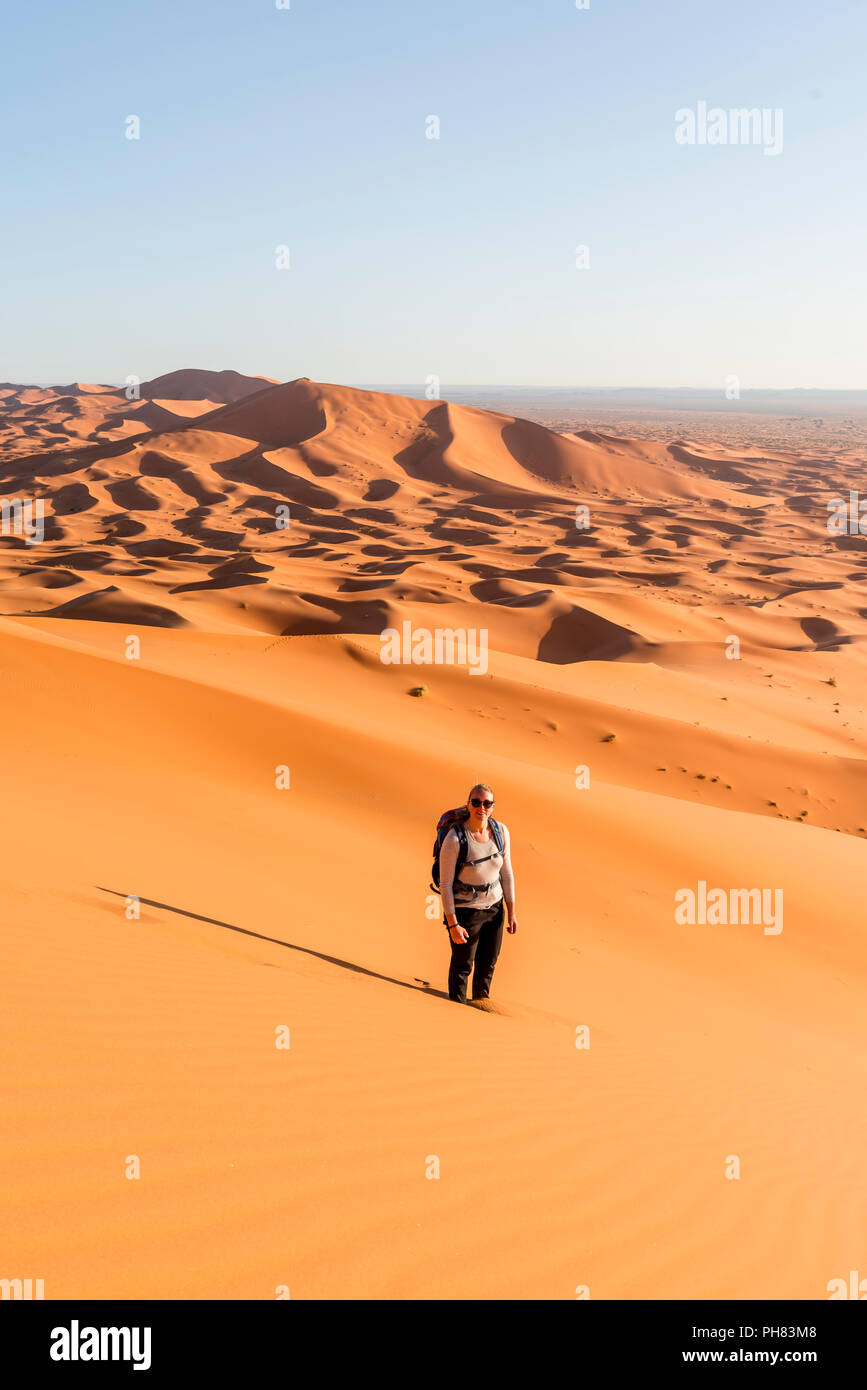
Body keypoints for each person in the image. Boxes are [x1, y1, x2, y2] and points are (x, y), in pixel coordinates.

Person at [439, 783, 518, 1005]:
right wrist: (453, 925)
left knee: (488, 962)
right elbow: (445, 885)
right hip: (466, 913)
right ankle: (457, 1009)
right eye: (476, 802)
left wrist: (511, 912)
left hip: (495, 909)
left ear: (492, 807)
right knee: (463, 964)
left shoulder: (501, 832)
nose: (481, 807)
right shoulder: (455, 840)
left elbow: (507, 872)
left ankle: (481, 1005)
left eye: (487, 803)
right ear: (468, 804)